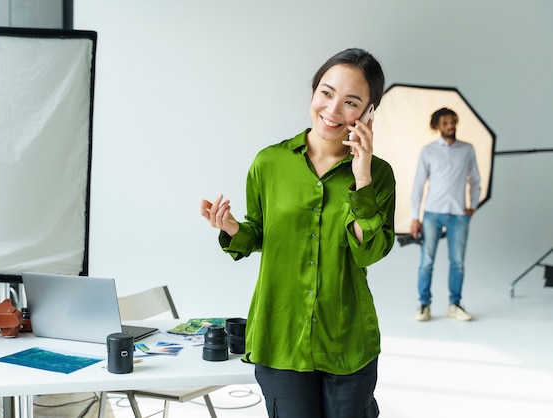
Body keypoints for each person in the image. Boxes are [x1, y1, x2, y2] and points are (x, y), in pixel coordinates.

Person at [201, 48, 395, 418]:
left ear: (369, 112)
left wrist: (362, 177)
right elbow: (259, 232)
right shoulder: (268, 163)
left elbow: (368, 253)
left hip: (347, 338)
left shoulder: (379, 176)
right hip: (281, 334)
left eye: (351, 102)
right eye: (326, 92)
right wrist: (232, 228)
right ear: (313, 93)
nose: (333, 110)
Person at [410, 107, 481, 322]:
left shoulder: (467, 149)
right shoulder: (428, 151)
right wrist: (415, 216)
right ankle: (424, 305)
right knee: (427, 261)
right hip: (432, 213)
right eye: (445, 123)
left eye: (452, 121)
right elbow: (418, 185)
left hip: (459, 214)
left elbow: (475, 180)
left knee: (457, 261)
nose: (450, 126)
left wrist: (473, 205)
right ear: (437, 127)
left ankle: (455, 304)